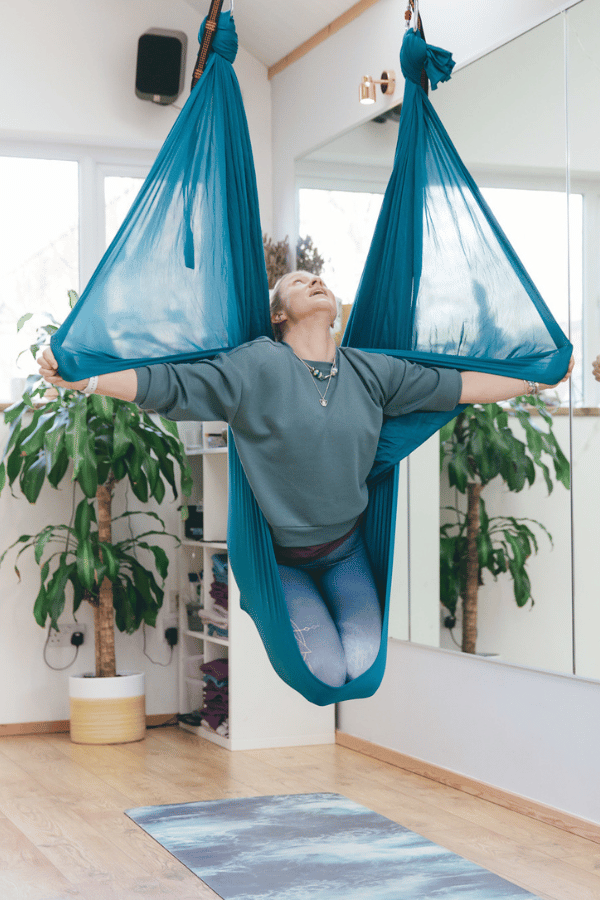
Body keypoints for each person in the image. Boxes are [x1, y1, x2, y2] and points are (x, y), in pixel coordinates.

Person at [38, 271, 574, 687]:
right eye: (297, 281)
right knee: (325, 674)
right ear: (278, 313)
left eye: (317, 277)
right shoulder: (256, 367)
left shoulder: (370, 370)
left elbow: (454, 386)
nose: (313, 280)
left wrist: (534, 380)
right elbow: (170, 385)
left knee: (362, 668)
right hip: (282, 562)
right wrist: (85, 380)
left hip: (345, 552)